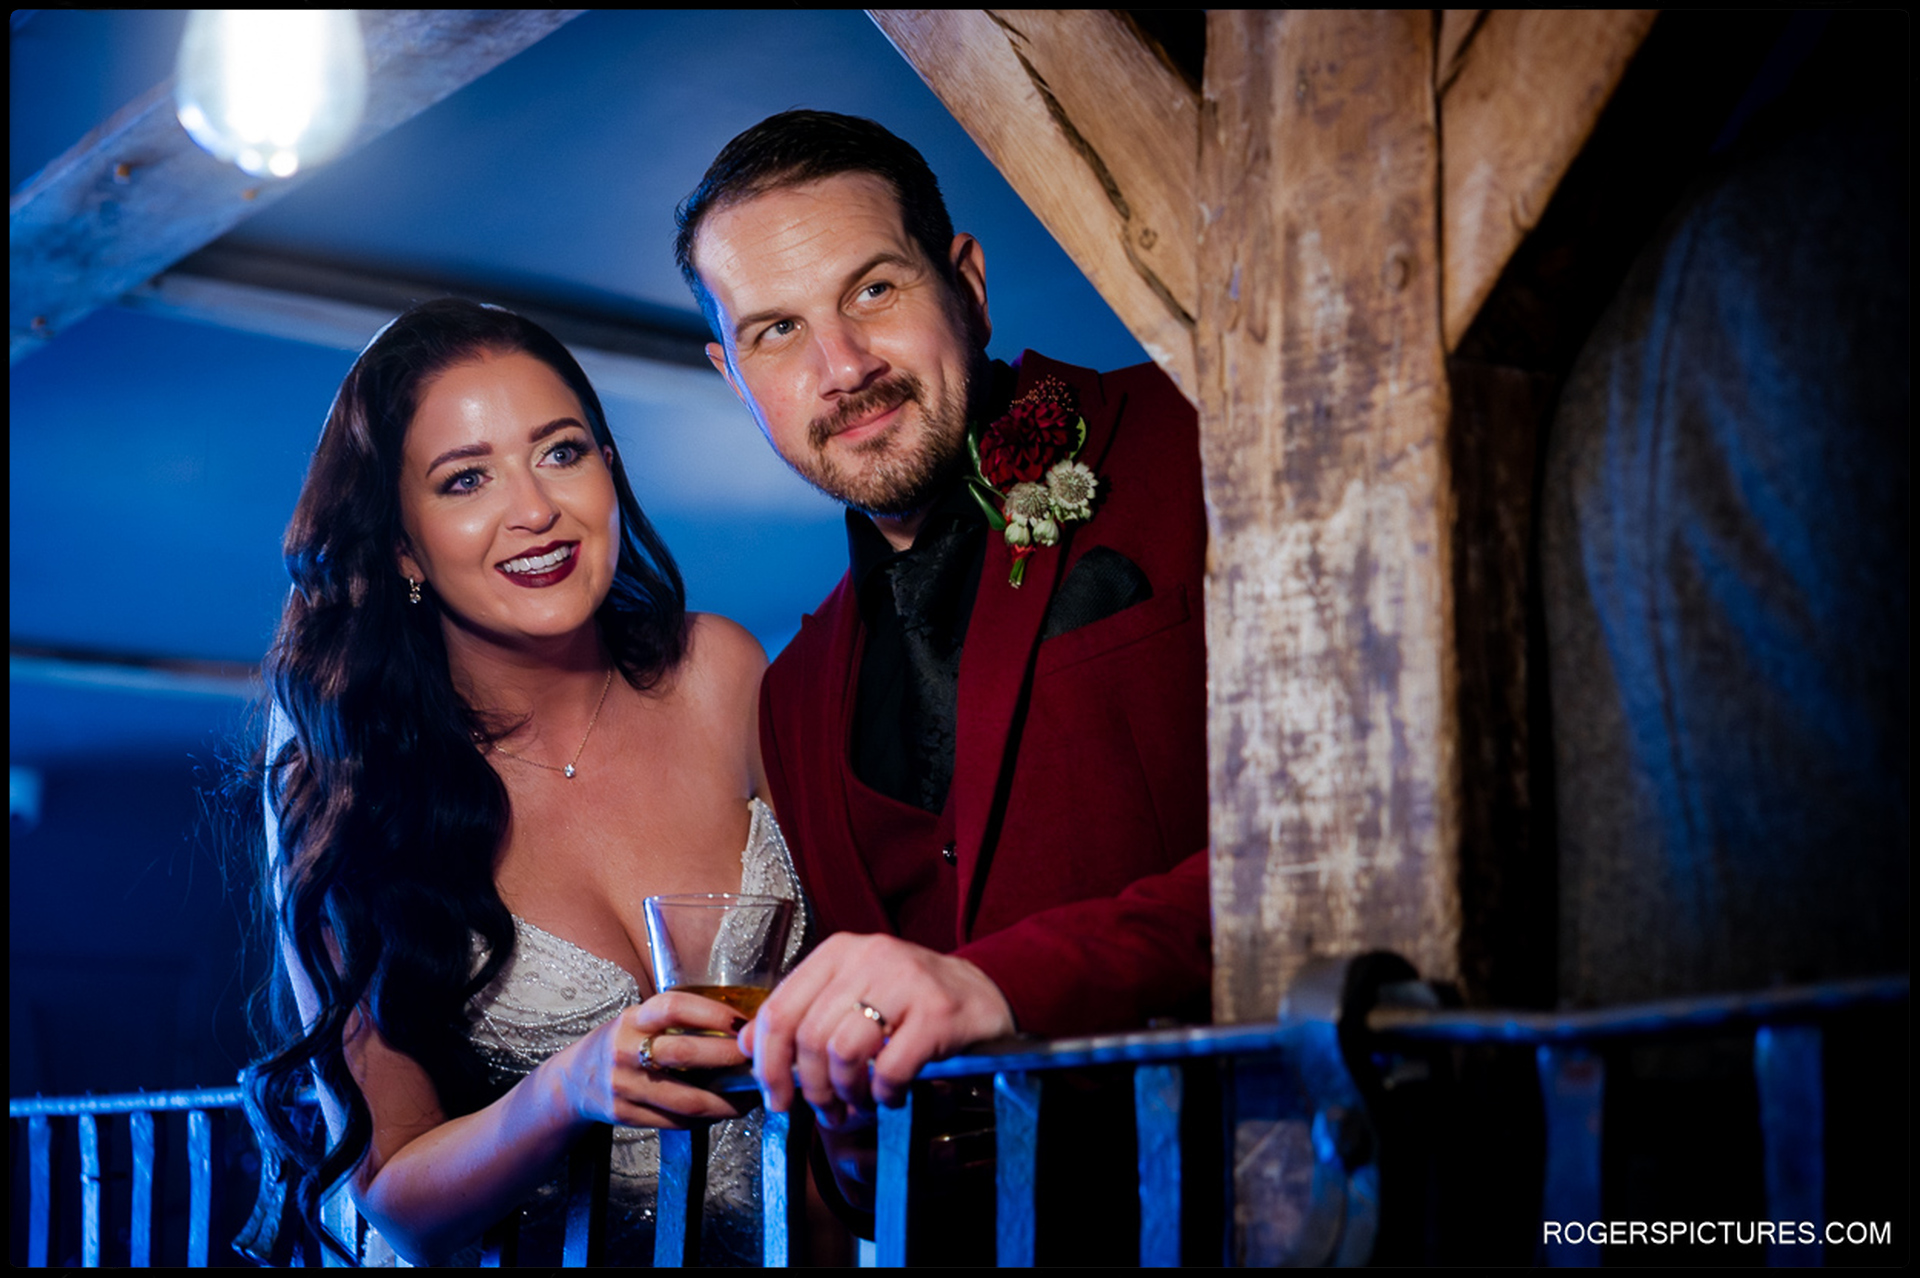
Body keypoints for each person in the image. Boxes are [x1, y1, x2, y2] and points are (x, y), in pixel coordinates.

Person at [673, 111, 1212, 1242]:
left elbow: (1362, 843)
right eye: (778, 329)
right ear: (734, 374)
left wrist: (1004, 987)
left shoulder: (1195, 433)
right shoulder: (795, 691)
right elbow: (871, 1163)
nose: (842, 367)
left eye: (872, 290)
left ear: (964, 278)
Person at [244, 298, 805, 1266]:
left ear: (610, 467)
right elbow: (396, 1197)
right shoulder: (354, 785)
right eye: (466, 479)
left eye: (561, 452)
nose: (536, 509)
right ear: (404, 547)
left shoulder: (721, 671)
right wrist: (567, 1089)